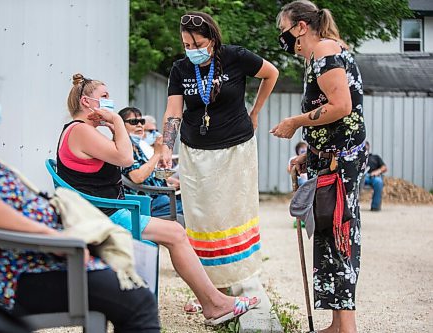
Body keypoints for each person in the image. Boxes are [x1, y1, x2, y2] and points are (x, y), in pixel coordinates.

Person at [0, 54, 160, 332]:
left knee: (135, 278)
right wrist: (52, 238)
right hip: (10, 274)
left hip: (28, 259)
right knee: (138, 299)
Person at [56, 73, 260, 325]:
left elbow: (119, 157)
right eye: (104, 97)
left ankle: (214, 302)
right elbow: (126, 159)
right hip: (103, 217)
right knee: (175, 233)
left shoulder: (81, 131)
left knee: (175, 232)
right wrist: (119, 123)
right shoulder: (80, 131)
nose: (109, 101)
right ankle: (214, 304)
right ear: (87, 102)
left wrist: (115, 127)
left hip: (103, 211)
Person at [160, 11, 279, 299]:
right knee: (202, 217)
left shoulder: (235, 56)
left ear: (212, 40)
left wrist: (255, 111)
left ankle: (232, 280)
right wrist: (166, 145)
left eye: (198, 45)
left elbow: (271, 73)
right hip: (195, 151)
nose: (193, 51)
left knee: (231, 212)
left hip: (236, 148)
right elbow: (174, 111)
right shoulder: (180, 69)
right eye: (187, 46)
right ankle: (210, 289)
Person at [272, 2, 367, 332]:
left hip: (340, 164)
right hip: (327, 159)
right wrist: (308, 154)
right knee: (328, 236)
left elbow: (342, 106)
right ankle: (337, 324)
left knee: (339, 236)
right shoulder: (321, 54)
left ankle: (347, 328)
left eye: (284, 30)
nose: (282, 39)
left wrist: (295, 122)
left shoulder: (325, 49)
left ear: (300, 27)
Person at [118, 107, 183, 217]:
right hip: (149, 201)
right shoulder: (125, 148)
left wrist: (169, 179)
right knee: (194, 207)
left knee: (193, 200)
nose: (139, 125)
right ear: (121, 125)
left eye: (141, 121)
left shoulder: (136, 146)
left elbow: (149, 172)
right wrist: (157, 154)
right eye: (133, 122)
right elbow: (137, 177)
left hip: (160, 196)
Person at [364, 141, 387, 211]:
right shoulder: (357, 157)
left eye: (366, 146)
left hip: (371, 177)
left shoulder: (375, 157)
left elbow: (384, 167)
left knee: (378, 181)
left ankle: (375, 207)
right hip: (360, 177)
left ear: (368, 147)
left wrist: (377, 172)